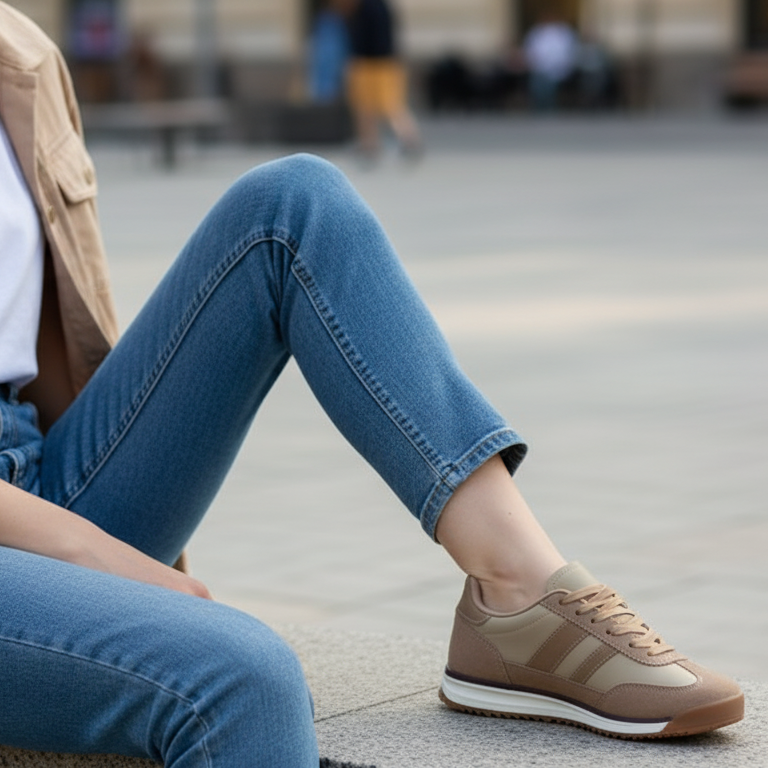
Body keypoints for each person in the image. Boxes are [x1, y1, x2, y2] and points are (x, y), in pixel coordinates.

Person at [0, 4, 743, 768]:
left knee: (295, 206)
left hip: (37, 474)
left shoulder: (16, 46)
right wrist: (96, 557)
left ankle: (521, 598)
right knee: (240, 676)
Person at [345, 0, 421, 157]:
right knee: (377, 107)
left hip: (372, 63)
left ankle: (398, 141)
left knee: (378, 107)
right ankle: (373, 144)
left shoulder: (367, 7)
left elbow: (363, 37)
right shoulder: (381, 6)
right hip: (385, 61)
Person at [523, 10, 579, 111]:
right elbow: (530, 50)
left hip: (559, 67)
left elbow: (569, 51)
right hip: (539, 67)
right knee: (538, 84)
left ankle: (549, 106)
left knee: (550, 83)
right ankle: (539, 106)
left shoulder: (564, 32)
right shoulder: (536, 32)